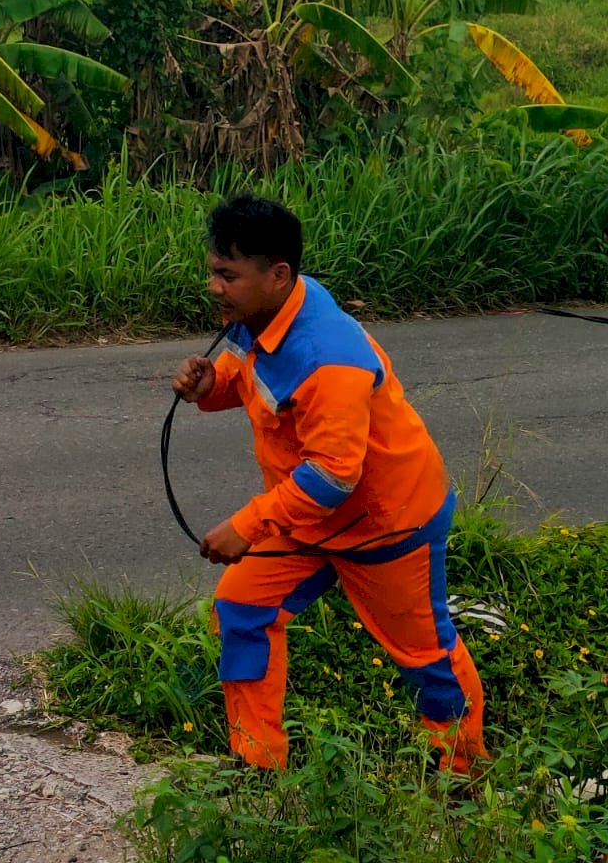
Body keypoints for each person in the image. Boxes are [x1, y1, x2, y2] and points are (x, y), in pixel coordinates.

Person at [171, 194, 487, 773]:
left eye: (227, 275)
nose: (214, 287)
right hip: (307, 516)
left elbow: (334, 475)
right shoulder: (266, 310)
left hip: (386, 522)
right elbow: (256, 381)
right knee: (241, 606)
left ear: (278, 274)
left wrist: (245, 525)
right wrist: (210, 384)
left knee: (424, 657)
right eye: (213, 270)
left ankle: (462, 779)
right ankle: (258, 765)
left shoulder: (329, 358)